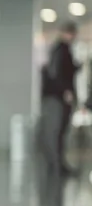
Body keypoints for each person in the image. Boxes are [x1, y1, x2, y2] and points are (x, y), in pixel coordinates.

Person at [40, 21, 81, 175]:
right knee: (57, 130)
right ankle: (56, 165)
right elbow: (57, 73)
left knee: (58, 131)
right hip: (58, 97)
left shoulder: (60, 50)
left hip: (57, 96)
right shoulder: (61, 50)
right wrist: (66, 91)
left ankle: (56, 164)